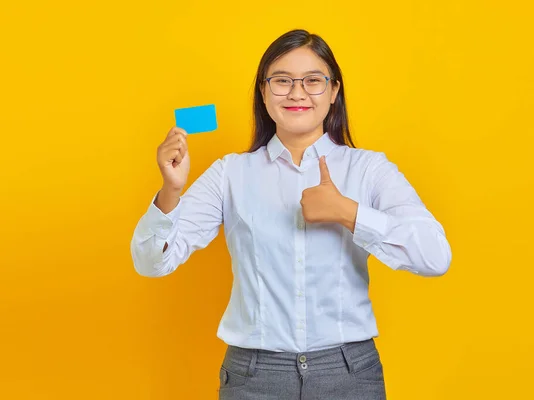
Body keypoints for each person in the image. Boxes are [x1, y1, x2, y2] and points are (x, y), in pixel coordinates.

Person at [131, 29, 451, 400]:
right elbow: (152, 263)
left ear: (334, 92)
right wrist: (171, 190)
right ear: (263, 92)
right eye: (282, 81)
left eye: (313, 81)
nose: (297, 93)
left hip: (348, 374)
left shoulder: (369, 170)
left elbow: (435, 256)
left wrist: (348, 212)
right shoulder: (230, 173)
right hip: (254, 378)